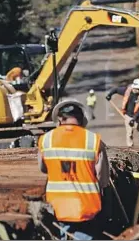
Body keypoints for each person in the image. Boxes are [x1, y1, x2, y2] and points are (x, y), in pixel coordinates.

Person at [37, 99, 110, 240]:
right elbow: (103, 178)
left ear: (59, 120)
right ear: (82, 119)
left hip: (57, 205)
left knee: (64, 234)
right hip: (87, 204)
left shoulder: (46, 139)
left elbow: (43, 168)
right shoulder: (93, 140)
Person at [106, 78, 139, 147]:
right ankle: (130, 147)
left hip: (137, 117)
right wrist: (110, 94)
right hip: (128, 116)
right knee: (129, 133)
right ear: (134, 88)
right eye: (138, 89)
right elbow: (116, 89)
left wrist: (134, 119)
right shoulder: (127, 91)